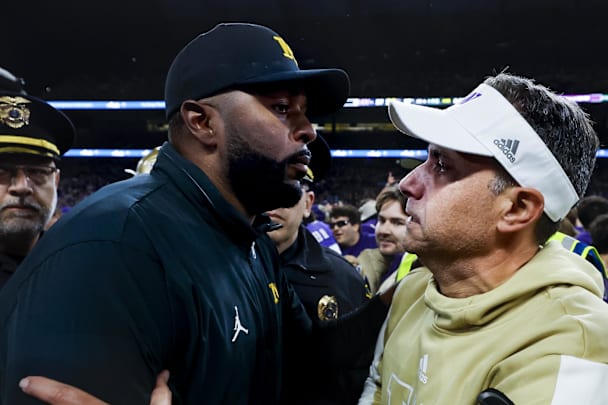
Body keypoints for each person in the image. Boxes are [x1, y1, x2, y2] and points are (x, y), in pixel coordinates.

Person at [0, 22, 390, 404]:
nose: (309, 132)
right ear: (202, 122)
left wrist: (401, 300)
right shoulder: (115, 245)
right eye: (283, 109)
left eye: (306, 114)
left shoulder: (248, 238)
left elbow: (307, 359)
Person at [359, 73, 608, 404]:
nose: (408, 183)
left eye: (443, 165)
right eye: (427, 157)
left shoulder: (576, 347)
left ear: (517, 209)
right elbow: (376, 387)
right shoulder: (413, 289)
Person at [264, 138, 374, 404]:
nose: (275, 199)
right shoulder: (216, 266)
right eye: (266, 185)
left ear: (308, 203)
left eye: (288, 187)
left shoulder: (343, 280)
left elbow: (358, 374)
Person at [0, 66, 75, 289]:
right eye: (2, 170)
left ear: (57, 181)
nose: (22, 187)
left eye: (38, 171)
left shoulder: (85, 270)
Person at [357, 185, 419, 294]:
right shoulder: (363, 265)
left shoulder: (424, 276)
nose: (384, 231)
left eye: (397, 223)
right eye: (381, 220)